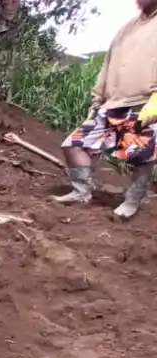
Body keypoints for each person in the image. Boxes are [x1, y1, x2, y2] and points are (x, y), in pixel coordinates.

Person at [52, 0, 157, 220]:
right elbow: (107, 66)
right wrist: (97, 100)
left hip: (145, 102)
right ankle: (81, 192)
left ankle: (132, 200)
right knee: (74, 145)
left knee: (141, 156)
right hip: (112, 103)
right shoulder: (127, 28)